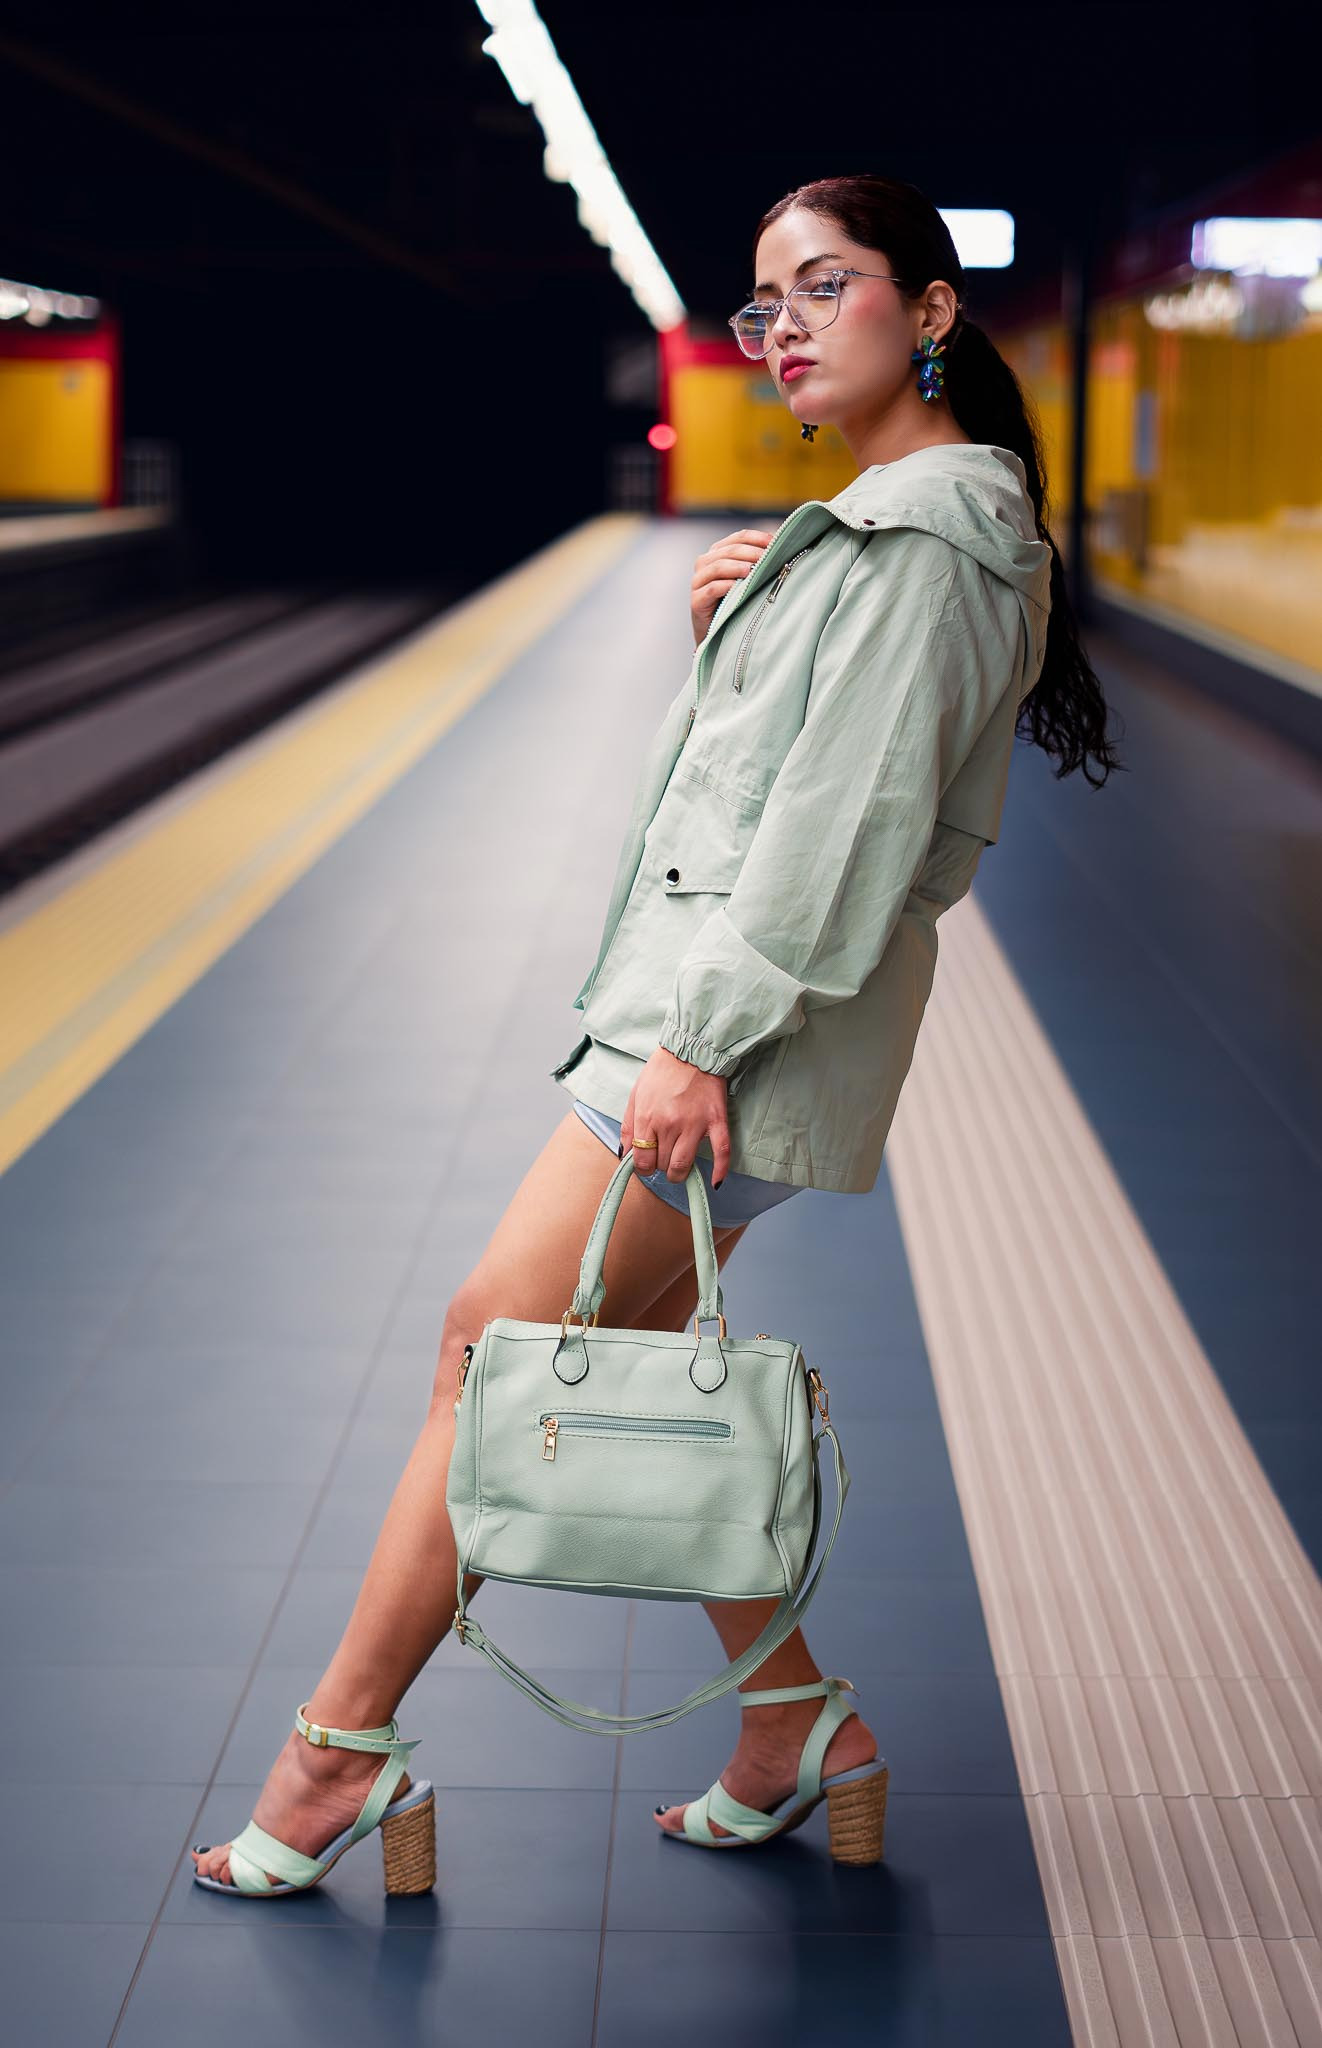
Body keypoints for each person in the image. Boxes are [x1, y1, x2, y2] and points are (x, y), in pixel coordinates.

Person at [192, 173, 1120, 1892]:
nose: (779, 329)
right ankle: (792, 1728)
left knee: (491, 1349)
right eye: (761, 303)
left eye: (822, 286)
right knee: (612, 1352)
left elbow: (841, 838)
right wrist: (741, 638)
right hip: (703, 1019)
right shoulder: (870, 535)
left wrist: (697, 1044)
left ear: (927, 310)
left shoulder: (921, 545)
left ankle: (337, 1755)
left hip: (716, 1034)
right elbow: (805, 776)